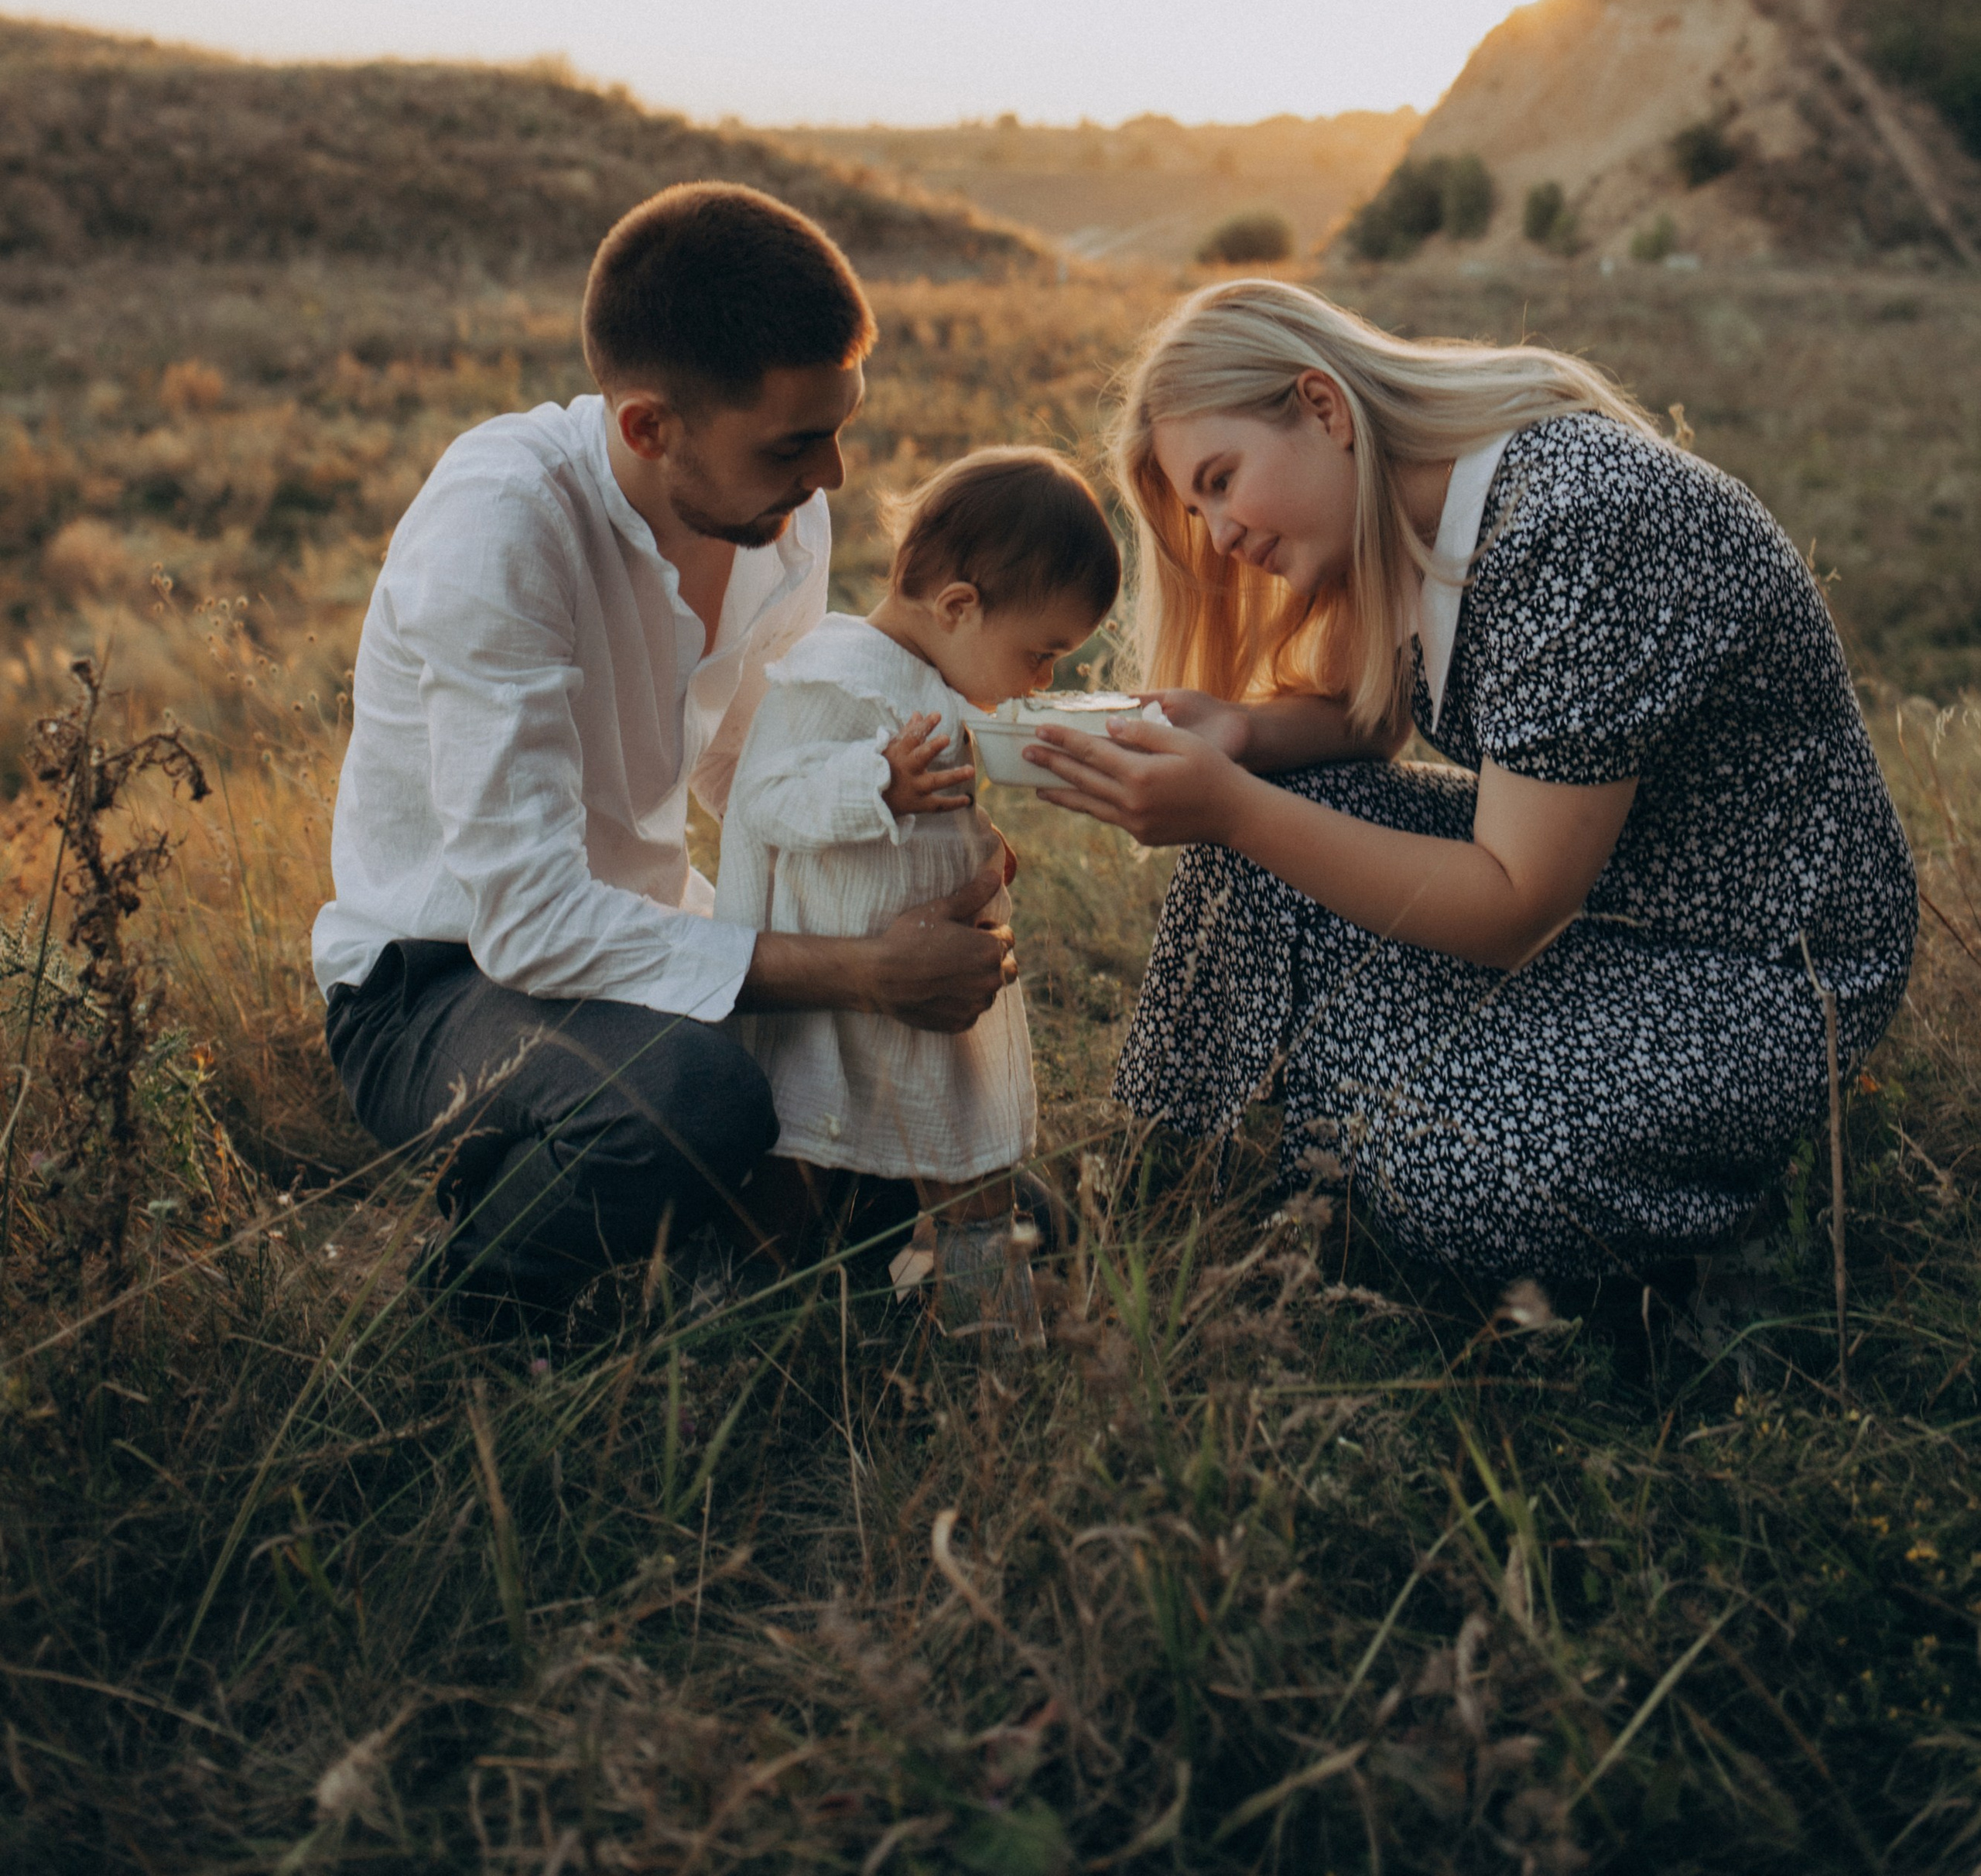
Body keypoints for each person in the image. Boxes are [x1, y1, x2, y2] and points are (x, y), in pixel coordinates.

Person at [1025, 278, 1916, 1288]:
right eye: (1199, 509)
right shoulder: (1415, 508)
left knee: (1455, 1167)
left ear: (1322, 408)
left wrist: (1231, 806)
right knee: (1285, 821)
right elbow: (1376, 718)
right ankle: (1158, 1184)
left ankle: (1726, 1232)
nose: (1220, 534)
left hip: (1761, 958)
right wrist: (1243, 734)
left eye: (1221, 480)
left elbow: (1512, 911)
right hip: (1614, 892)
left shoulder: (1574, 523)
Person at [313, 183, 1016, 1330]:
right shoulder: (501, 525)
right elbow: (529, 927)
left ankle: (733, 1251)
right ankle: (476, 1305)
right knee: (692, 1097)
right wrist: (858, 971)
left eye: (839, 427)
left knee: (925, 1144)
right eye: (796, 442)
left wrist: (913, 853)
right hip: (435, 987)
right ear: (648, 428)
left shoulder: (779, 515)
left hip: (644, 948)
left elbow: (750, 779)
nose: (833, 476)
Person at [717, 447, 1121, 1334]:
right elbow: (767, 802)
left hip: (927, 1000)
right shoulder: (836, 675)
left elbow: (927, 818)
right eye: (1041, 654)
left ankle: (991, 1336)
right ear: (958, 607)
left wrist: (979, 847)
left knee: (968, 1166)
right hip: (834, 999)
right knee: (794, 1167)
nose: (1043, 681)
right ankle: (743, 1321)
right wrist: (876, 782)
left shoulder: (933, 679)